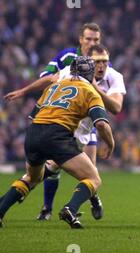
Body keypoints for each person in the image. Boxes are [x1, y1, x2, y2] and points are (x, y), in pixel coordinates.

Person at [5, 43, 126, 221]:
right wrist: (111, 143)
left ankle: (7, 204)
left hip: (43, 130)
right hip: (63, 132)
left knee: (35, 175)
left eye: (105, 61)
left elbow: (116, 107)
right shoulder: (84, 87)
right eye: (97, 62)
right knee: (90, 176)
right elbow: (101, 124)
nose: (101, 66)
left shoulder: (110, 76)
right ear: (90, 64)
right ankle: (69, 207)